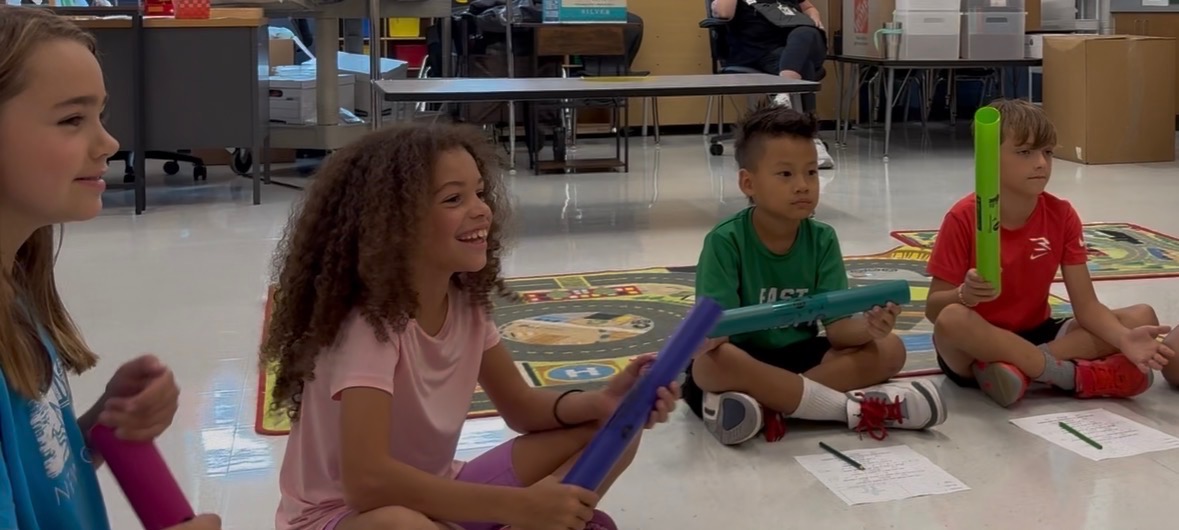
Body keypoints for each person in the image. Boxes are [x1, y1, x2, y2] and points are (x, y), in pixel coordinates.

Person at [263, 123, 680, 530]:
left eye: (479, 193)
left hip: (434, 495)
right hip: (344, 516)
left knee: (617, 429)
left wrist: (602, 402)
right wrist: (520, 507)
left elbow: (521, 407)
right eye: (453, 200)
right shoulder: (368, 326)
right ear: (392, 224)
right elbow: (367, 484)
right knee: (397, 522)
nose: (481, 209)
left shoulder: (466, 303)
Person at [0, 6, 220, 530]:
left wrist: (98, 422)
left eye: (99, 115)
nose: (108, 143)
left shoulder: (16, 294)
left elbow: (33, 477)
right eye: (72, 119)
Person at [682, 106, 946, 446]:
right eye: (785, 175)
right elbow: (719, 334)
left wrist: (869, 327)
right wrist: (704, 338)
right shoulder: (725, 241)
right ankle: (840, 408)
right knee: (710, 366)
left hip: (800, 356)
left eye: (811, 172)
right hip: (744, 358)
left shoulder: (822, 239)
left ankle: (767, 405)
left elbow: (838, 332)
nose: (803, 186)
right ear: (749, 183)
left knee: (890, 348)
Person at [925, 98, 1173, 408]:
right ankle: (1069, 376)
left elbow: (1086, 306)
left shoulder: (1062, 214)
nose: (1041, 163)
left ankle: (1021, 368)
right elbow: (935, 310)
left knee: (1140, 318)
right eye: (1025, 152)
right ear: (988, 158)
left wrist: (1124, 338)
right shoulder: (962, 217)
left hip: (1038, 334)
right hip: (976, 342)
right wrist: (964, 294)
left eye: (1047, 152)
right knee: (952, 320)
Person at [709, 0, 834, 169]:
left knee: (805, 33)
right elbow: (724, 13)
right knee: (803, 64)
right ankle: (810, 139)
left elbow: (808, 7)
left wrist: (814, 18)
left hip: (799, 42)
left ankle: (784, 95)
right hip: (757, 51)